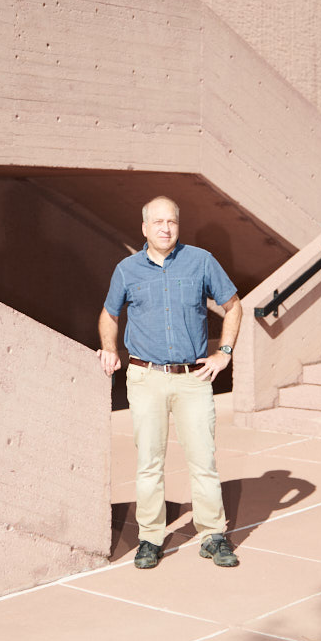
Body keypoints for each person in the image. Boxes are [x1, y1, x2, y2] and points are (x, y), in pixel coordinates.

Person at [97, 196, 242, 569]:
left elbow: (234, 305)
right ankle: (150, 538)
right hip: (145, 378)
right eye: (158, 222)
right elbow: (110, 314)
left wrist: (223, 352)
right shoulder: (127, 269)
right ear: (144, 228)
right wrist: (109, 348)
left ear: (178, 225)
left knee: (203, 460)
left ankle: (212, 535)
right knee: (149, 462)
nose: (165, 228)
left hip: (193, 380)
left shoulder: (201, 261)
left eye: (172, 222)